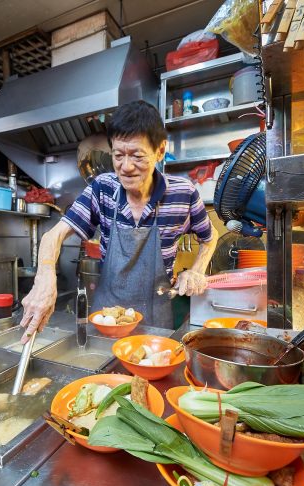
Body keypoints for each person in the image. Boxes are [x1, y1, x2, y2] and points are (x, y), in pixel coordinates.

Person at [20, 100, 218, 340]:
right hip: (107, 318)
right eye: (118, 155)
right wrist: (45, 277)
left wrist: (196, 271)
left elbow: (210, 237)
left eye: (137, 155)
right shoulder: (102, 188)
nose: (126, 167)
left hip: (156, 319)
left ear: (160, 150)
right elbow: (54, 235)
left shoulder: (183, 194)